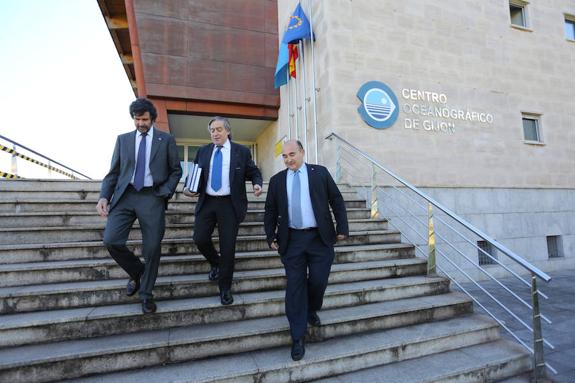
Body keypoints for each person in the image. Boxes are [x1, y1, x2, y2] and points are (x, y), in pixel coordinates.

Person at [264, 139, 349, 361]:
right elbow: (270, 210)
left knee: (319, 281)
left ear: (302, 152)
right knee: (295, 287)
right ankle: (298, 336)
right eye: (284, 156)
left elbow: (336, 200)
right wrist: (270, 235)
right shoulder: (277, 181)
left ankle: (312, 308)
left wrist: (342, 228)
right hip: (292, 240)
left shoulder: (319, 173)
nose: (288, 159)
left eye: (292, 154)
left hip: (320, 239)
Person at [96, 98, 182, 314]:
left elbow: (176, 171)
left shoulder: (166, 140)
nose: (140, 123)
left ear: (152, 118)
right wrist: (104, 196)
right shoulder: (123, 140)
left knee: (152, 247)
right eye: (137, 119)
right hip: (125, 195)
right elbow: (113, 172)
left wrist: (164, 193)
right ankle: (138, 271)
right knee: (111, 240)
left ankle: (146, 294)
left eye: (144, 119)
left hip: (152, 196)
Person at [184, 116, 263, 306]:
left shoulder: (241, 152)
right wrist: (188, 188)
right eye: (212, 130)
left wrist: (257, 184)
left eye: (219, 129)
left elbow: (253, 171)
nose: (215, 133)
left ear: (227, 131)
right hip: (207, 202)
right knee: (199, 238)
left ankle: (225, 288)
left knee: (228, 248)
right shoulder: (203, 151)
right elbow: (194, 174)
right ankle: (216, 263)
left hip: (230, 204)